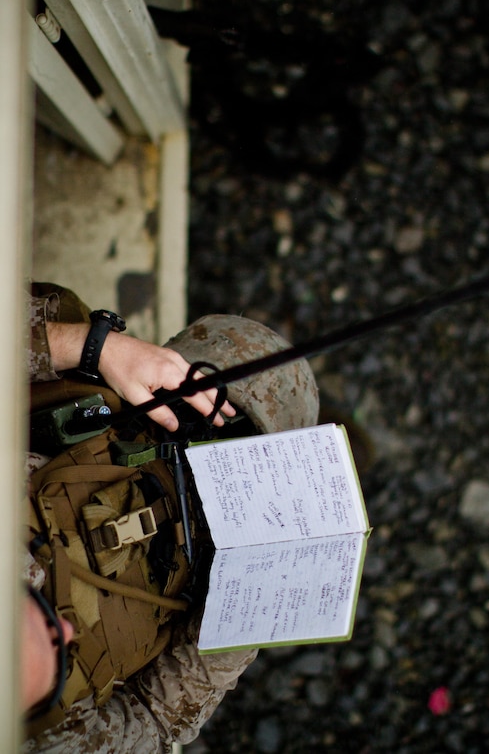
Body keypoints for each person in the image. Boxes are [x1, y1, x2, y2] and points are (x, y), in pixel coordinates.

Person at [23, 286, 319, 752]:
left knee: (253, 362)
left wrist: (92, 346)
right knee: (271, 379)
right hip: (204, 564)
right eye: (59, 651)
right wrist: (238, 626)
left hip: (122, 430)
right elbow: (158, 725)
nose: (61, 630)